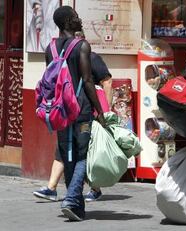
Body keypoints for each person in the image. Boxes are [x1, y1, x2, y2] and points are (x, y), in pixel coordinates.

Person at [44, 5, 105, 221]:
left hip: (59, 110)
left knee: (66, 155)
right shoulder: (82, 45)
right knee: (82, 155)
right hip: (80, 109)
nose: (79, 20)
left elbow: (50, 82)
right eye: (76, 17)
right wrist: (100, 110)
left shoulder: (50, 48)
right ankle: (71, 198)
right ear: (69, 21)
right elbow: (88, 81)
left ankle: (76, 207)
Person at [32, 51, 113, 202]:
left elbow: (107, 81)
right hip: (66, 111)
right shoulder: (62, 58)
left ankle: (94, 189)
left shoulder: (91, 58)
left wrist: (105, 110)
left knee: (87, 150)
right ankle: (51, 188)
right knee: (63, 148)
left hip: (88, 112)